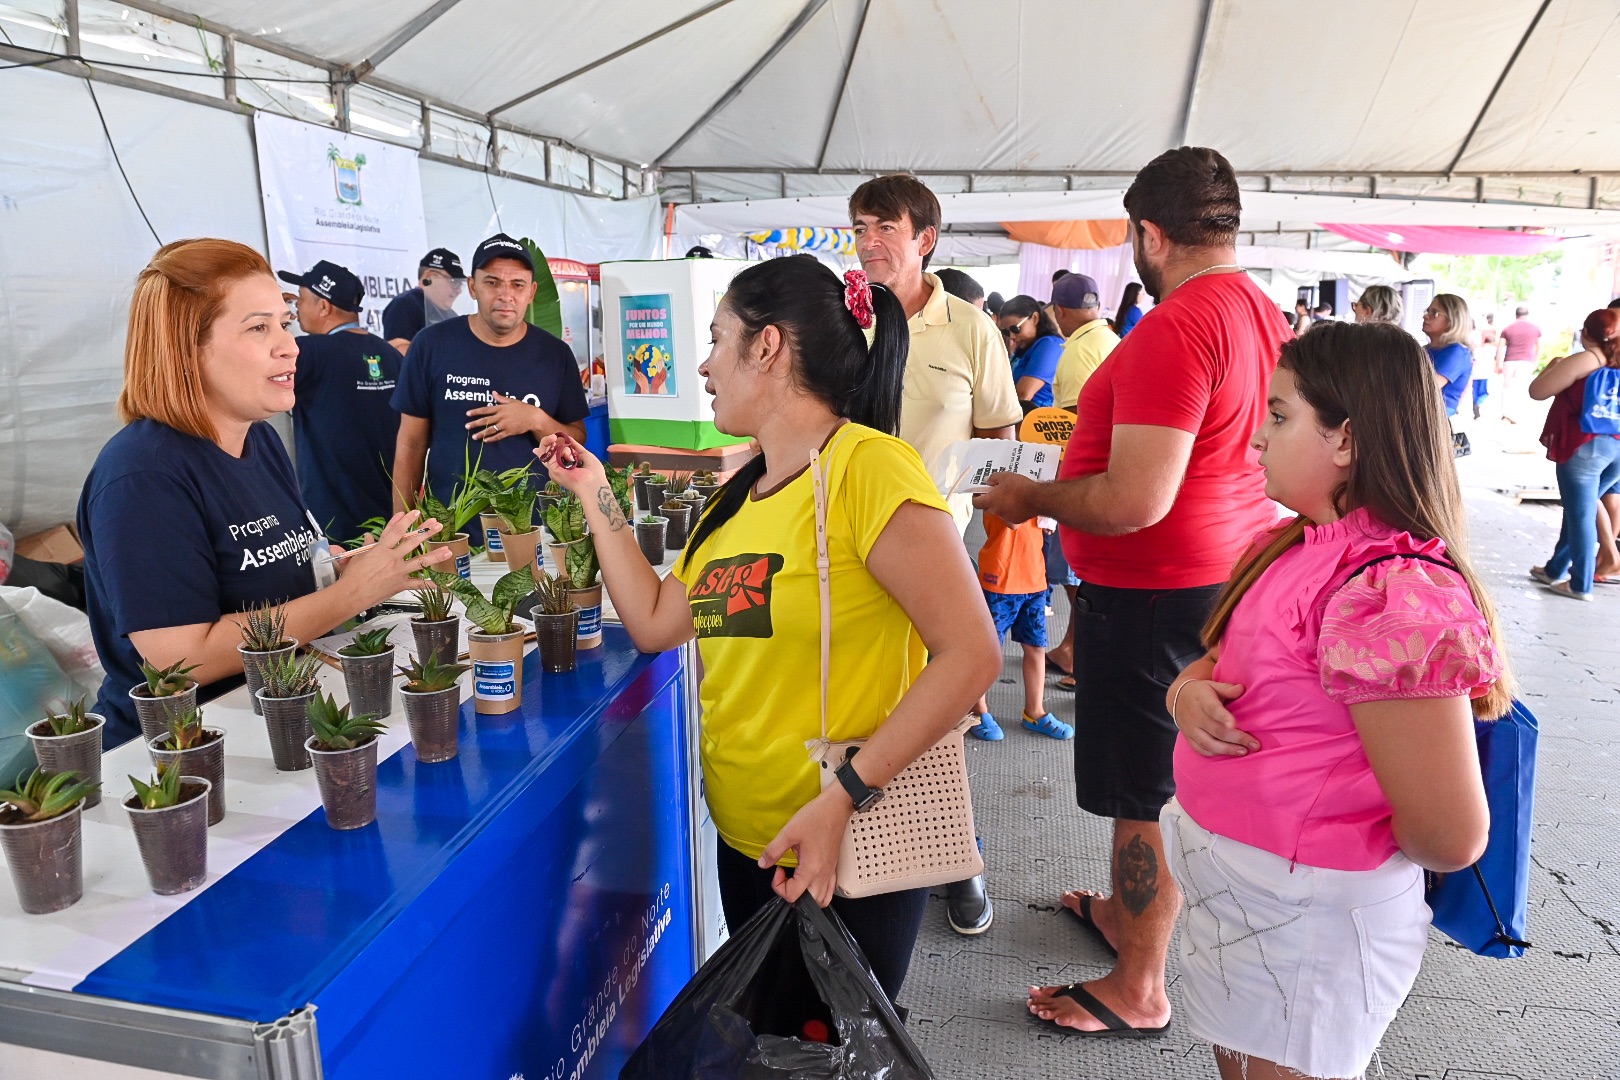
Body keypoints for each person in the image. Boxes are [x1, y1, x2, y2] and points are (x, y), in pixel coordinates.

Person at [534, 255, 1001, 1004]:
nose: (704, 363)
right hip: (748, 842)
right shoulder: (739, 494)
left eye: (718, 338)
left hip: (844, 839)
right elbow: (656, 622)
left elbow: (972, 654)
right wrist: (594, 491)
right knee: (771, 1045)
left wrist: (845, 795)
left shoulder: (869, 468)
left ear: (768, 346)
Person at [975, 146, 1292, 1035]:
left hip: (1157, 589)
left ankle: (1140, 985)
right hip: (1218, 572)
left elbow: (1133, 499)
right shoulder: (1262, 313)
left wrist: (1028, 496)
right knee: (1156, 777)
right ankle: (1125, 919)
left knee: (1142, 790)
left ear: (1148, 234)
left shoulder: (1180, 325)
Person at [1162, 321, 1508, 1079]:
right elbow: (1221, 660)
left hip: (1310, 917)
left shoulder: (1390, 594)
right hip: (1245, 893)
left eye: (1280, 416)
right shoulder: (1290, 543)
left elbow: (1451, 836)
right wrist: (1186, 693)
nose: (1258, 438)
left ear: (1346, 440)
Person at [77, 239, 452, 747]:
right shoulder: (142, 475)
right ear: (186, 346)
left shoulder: (262, 440)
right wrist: (350, 595)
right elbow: (182, 657)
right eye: (259, 328)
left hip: (278, 717)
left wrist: (342, 565)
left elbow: (277, 562)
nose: (290, 346)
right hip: (182, 755)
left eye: (285, 322)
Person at [850, 173, 1020, 936]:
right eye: (860, 227)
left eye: (886, 226)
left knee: (939, 708)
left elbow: (1000, 432)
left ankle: (959, 857)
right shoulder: (841, 321)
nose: (870, 240)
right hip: (846, 546)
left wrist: (974, 502)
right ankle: (855, 839)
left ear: (926, 239)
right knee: (857, 700)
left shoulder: (969, 327)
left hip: (935, 546)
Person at [391, 233, 589, 509]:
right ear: (472, 287)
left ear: (531, 292)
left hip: (536, 527)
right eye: (492, 282)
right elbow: (410, 444)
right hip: (452, 529)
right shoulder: (431, 345)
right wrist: (402, 529)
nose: (505, 295)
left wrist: (535, 419)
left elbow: (577, 440)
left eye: (517, 285)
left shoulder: (556, 355)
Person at [276, 260, 403, 543]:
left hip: (332, 526)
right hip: (388, 519)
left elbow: (259, 368)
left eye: (301, 300)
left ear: (324, 306)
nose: (296, 310)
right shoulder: (391, 355)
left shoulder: (310, 352)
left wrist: (273, 320)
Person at [1046, 272, 1121, 688]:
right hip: (1112, 470)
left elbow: (1071, 425)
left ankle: (1087, 656)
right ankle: (1072, 649)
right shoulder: (1110, 340)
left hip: (1086, 473)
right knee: (1085, 572)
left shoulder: (1076, 352)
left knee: (1077, 572)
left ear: (1059, 312)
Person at [1529, 308, 1620, 601]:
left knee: (1580, 513)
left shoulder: (1589, 358)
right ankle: (1554, 568)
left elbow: (1538, 391)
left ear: (1588, 333)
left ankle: (1581, 584)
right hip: (1616, 448)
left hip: (1585, 447)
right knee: (1580, 508)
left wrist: (1554, 367)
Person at [969, 508, 1072, 743]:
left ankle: (1035, 712)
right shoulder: (998, 485)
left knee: (1036, 646)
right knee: (988, 649)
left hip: (1034, 578)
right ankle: (978, 710)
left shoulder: (1036, 486)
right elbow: (1013, 519)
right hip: (1000, 579)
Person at [1050, 273, 1120, 413]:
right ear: (1098, 306)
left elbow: (1074, 418)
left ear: (1059, 311)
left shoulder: (1079, 351)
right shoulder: (1112, 339)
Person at [383, 248, 464, 354]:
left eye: (460, 284)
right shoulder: (405, 305)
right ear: (428, 277)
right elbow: (398, 351)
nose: (458, 290)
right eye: (453, 282)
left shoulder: (451, 315)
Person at [996, 295, 1066, 409]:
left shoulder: (1049, 345)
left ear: (1035, 318)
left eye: (1016, 329)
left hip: (1036, 419)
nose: (1012, 336)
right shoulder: (1024, 347)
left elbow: (1023, 394)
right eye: (1006, 331)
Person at [1422, 293, 1474, 417]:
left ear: (1452, 320)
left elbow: (1427, 386)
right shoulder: (1427, 349)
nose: (1425, 316)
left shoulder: (1456, 353)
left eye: (1434, 313)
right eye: (1427, 311)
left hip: (1435, 417)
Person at [1498, 304, 1543, 423]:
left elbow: (1500, 347)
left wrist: (1498, 363)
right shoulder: (1535, 329)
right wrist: (1536, 361)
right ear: (1527, 315)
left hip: (1510, 360)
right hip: (1526, 361)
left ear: (1516, 314)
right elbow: (1539, 347)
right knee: (1521, 387)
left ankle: (1506, 413)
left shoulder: (1508, 328)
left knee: (1507, 387)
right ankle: (1517, 414)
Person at [1471, 312, 1501, 420]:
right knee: (1483, 390)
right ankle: (1478, 403)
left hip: (1477, 368)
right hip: (1485, 369)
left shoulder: (1480, 336)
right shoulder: (1492, 345)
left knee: (1476, 389)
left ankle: (1475, 404)